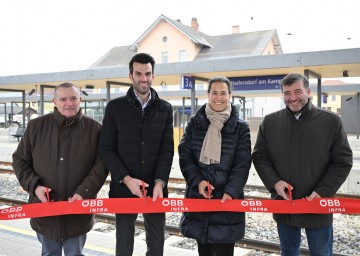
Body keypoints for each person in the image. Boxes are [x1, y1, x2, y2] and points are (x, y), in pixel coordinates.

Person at [252, 73, 353, 256]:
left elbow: (343, 161)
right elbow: (260, 156)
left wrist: (322, 191)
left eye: (298, 91)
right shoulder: (270, 122)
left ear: (308, 91)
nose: (292, 98)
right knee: (288, 252)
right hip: (285, 204)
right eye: (287, 93)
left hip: (318, 204)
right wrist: (275, 183)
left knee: (321, 253)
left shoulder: (331, 121)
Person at [12, 82, 108, 255]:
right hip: (44, 213)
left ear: (80, 100)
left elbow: (101, 166)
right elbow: (19, 160)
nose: (68, 103)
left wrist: (84, 192)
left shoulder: (95, 129)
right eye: (63, 99)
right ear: (54, 101)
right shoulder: (36, 127)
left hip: (78, 213)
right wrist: (35, 186)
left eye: (73, 98)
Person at [98, 52, 174, 256]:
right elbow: (105, 149)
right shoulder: (115, 108)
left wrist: (160, 182)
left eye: (147, 74)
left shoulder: (165, 109)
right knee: (123, 247)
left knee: (157, 247)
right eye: (139, 73)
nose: (144, 78)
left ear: (153, 76)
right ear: (130, 75)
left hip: (155, 190)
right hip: (124, 188)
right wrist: (126, 179)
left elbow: (167, 150)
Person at [178, 76, 252, 256]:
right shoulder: (195, 124)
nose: (219, 97)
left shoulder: (241, 128)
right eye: (214, 93)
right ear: (208, 94)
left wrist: (231, 191)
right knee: (203, 251)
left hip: (227, 203)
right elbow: (185, 155)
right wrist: (198, 182)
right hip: (200, 198)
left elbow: (242, 164)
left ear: (230, 95)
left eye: (223, 93)